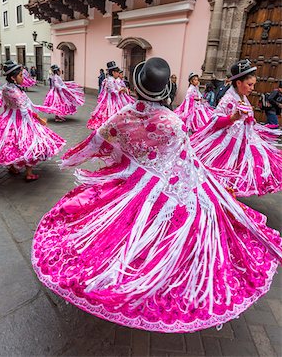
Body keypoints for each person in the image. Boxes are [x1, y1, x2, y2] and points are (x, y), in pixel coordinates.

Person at [32, 57, 281, 334]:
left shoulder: (124, 114)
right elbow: (186, 162)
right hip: (162, 185)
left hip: (134, 182)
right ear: (165, 91)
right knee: (167, 235)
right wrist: (216, 191)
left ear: (137, 87)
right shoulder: (172, 122)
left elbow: (98, 141)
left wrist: (77, 159)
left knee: (119, 232)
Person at [191, 59, 282, 197]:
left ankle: (226, 193)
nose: (252, 88)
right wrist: (232, 118)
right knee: (224, 170)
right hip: (228, 142)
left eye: (253, 85)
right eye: (249, 85)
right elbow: (215, 120)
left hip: (243, 139)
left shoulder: (242, 96)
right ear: (239, 83)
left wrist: (250, 119)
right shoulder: (228, 99)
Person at [0, 61, 65, 181]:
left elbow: (5, 104)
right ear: (13, 77)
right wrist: (36, 121)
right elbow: (25, 110)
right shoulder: (15, 92)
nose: (23, 77)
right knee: (28, 143)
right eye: (20, 75)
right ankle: (29, 173)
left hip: (7, 117)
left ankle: (13, 167)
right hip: (21, 120)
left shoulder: (6, 87)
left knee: (9, 144)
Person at [87, 61, 134, 130]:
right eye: (117, 72)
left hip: (117, 100)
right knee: (111, 113)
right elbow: (112, 91)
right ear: (113, 72)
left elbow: (118, 88)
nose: (118, 74)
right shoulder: (109, 81)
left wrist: (122, 89)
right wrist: (120, 90)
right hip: (111, 101)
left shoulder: (114, 80)